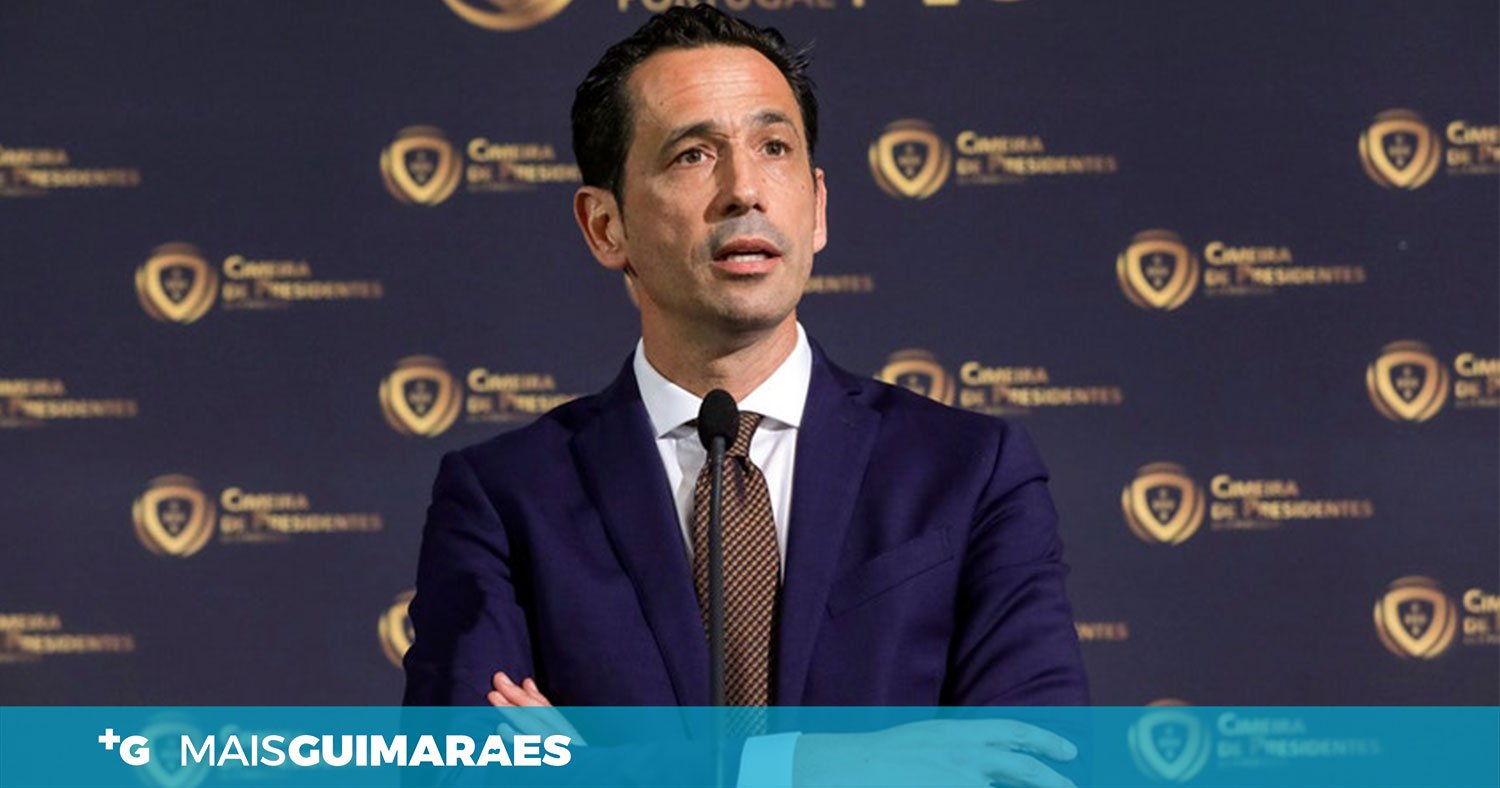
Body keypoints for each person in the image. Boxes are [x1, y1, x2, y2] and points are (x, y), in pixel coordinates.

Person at [404, 0, 1085, 727]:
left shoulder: (969, 471)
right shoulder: (505, 499)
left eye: (774, 148)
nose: (745, 190)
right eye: (693, 155)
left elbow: (1035, 760)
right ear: (605, 227)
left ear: (817, 207)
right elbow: (460, 768)